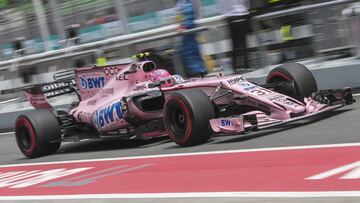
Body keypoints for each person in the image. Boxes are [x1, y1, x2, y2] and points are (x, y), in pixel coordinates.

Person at [176, 0, 207, 78]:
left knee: (190, 51)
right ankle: (199, 72)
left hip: (188, 30)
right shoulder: (184, 2)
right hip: (188, 29)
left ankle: (198, 72)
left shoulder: (186, 2)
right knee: (191, 51)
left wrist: (184, 26)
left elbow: (189, 13)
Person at [218, 0, 250, 71]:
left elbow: (221, 5)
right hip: (241, 13)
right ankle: (246, 65)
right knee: (243, 42)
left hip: (229, 16)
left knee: (233, 43)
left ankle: (235, 67)